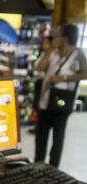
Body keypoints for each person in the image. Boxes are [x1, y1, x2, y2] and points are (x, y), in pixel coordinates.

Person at [34, 24, 87, 167]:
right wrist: (50, 49)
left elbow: (85, 73)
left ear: (65, 38)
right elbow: (38, 68)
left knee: (58, 140)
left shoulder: (78, 54)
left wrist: (63, 78)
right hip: (45, 102)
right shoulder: (53, 52)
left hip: (62, 103)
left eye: (58, 35)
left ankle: (53, 169)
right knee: (40, 139)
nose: (55, 38)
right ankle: (37, 167)